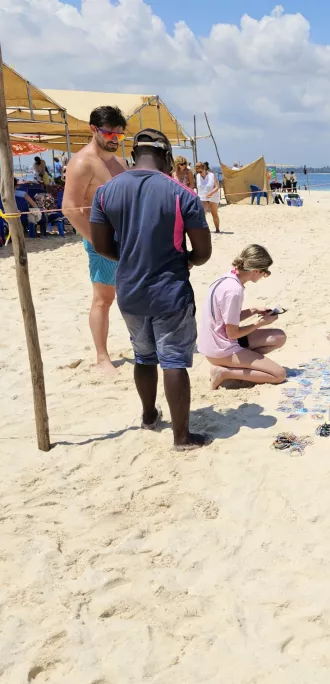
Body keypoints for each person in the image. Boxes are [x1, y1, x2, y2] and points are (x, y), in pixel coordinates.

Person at [89, 128, 213, 449]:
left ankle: (148, 416)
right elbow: (203, 252)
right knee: (173, 360)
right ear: (167, 157)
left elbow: (101, 245)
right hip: (169, 290)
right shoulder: (182, 194)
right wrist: (186, 260)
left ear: (133, 154)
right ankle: (182, 437)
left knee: (143, 356)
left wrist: (130, 259)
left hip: (129, 290)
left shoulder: (106, 192)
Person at [62, 105, 128, 375]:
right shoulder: (82, 162)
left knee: (133, 293)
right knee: (104, 298)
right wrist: (98, 243)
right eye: (110, 134)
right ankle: (102, 356)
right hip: (100, 239)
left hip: (125, 238)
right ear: (93, 129)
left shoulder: (119, 162)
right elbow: (70, 208)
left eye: (120, 136)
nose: (114, 139)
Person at [199, 245, 287, 390]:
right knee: (279, 375)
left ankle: (244, 364)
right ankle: (224, 372)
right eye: (265, 272)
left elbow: (226, 318)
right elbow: (232, 333)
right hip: (220, 349)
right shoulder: (234, 291)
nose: (264, 276)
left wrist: (253, 310)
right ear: (256, 271)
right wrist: (260, 323)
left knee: (279, 337)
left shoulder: (227, 277)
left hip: (213, 341)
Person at [195, 161, 221, 233]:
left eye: (200, 171)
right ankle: (203, 229)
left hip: (213, 196)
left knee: (214, 213)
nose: (199, 173)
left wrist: (211, 193)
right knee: (202, 213)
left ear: (204, 168)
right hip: (202, 197)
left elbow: (217, 187)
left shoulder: (211, 175)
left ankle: (217, 229)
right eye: (198, 171)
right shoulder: (197, 176)